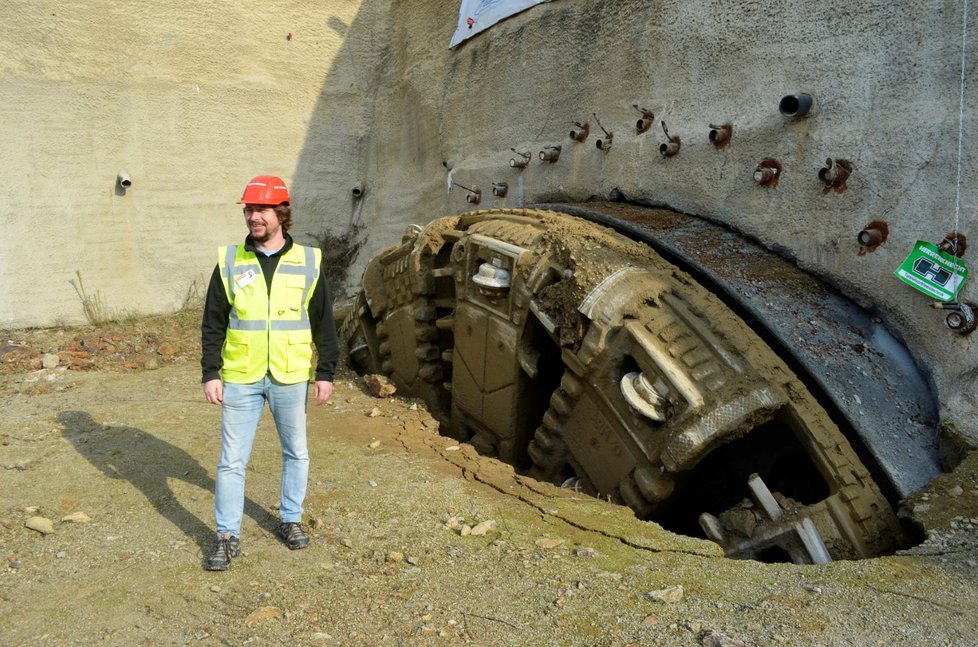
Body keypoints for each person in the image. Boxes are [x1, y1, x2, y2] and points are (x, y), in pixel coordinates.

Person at [200, 175, 339, 571]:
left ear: (281, 213)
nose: (252, 217)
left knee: (296, 452)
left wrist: (325, 371)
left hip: (290, 375)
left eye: (260, 210)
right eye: (248, 210)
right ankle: (227, 535)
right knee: (231, 460)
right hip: (241, 375)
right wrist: (211, 371)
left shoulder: (309, 261)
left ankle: (290, 519)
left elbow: (323, 322)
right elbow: (213, 321)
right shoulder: (231, 261)